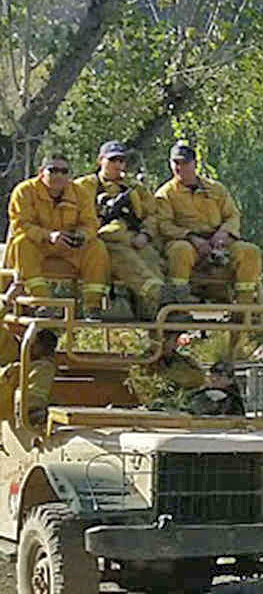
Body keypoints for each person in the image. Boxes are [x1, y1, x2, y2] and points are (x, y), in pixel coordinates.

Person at [153, 141, 263, 304]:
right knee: (180, 251)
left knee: (250, 251)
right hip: (187, 244)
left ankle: (244, 310)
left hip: (219, 243)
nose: (180, 167)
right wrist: (191, 237)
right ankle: (177, 306)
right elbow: (164, 225)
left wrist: (224, 233)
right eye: (175, 163)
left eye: (185, 163)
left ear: (194, 164)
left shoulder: (216, 189)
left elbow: (233, 215)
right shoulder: (165, 194)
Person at [73, 141, 168, 319]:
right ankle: (155, 291)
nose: (118, 165)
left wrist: (145, 234)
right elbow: (75, 217)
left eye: (122, 161)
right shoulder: (84, 186)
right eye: (113, 160)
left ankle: (162, 311)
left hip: (135, 240)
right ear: (100, 160)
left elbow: (153, 214)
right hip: (102, 240)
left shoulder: (134, 188)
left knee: (152, 258)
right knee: (117, 250)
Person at [7, 154, 111, 314]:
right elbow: (20, 224)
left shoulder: (80, 193)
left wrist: (81, 235)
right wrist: (49, 236)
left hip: (70, 248)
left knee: (97, 247)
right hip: (39, 245)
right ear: (41, 172)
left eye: (64, 171)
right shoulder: (24, 191)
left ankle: (93, 306)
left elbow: (90, 223)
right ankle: (43, 303)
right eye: (53, 170)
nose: (59, 176)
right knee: (21, 242)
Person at [0, 329, 59, 429]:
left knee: (44, 368)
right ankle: (29, 408)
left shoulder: (41, 365)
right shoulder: (9, 345)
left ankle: (31, 408)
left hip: (11, 402)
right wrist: (5, 372)